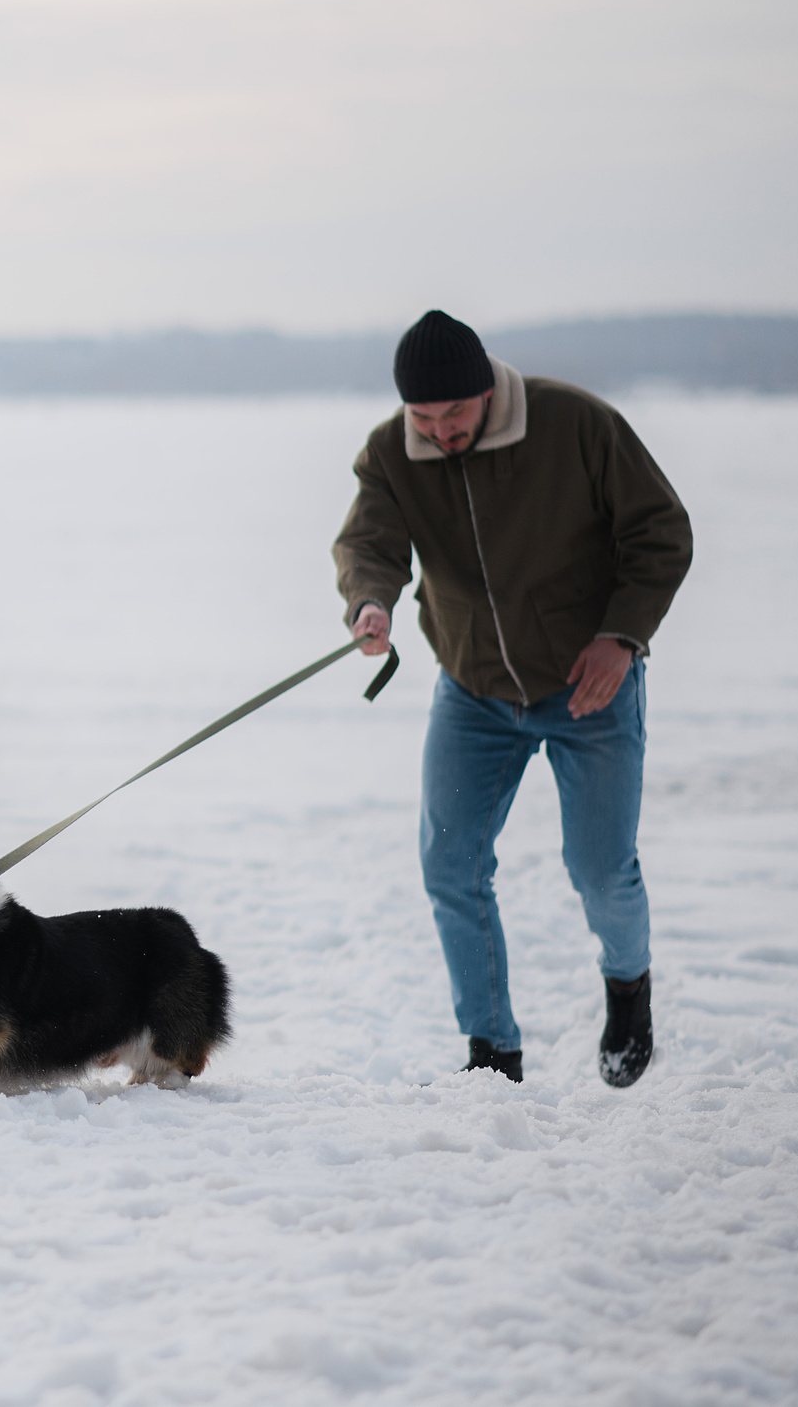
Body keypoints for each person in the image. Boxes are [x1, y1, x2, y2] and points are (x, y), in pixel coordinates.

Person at [334, 310, 692, 1086]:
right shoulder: (395, 450)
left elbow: (661, 531)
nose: (438, 431)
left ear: (487, 388)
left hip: (588, 684)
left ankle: (629, 987)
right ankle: (492, 1050)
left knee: (600, 868)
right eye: (422, 417)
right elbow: (370, 543)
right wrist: (371, 601)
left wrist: (622, 636)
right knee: (449, 866)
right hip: (474, 689)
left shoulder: (576, 424)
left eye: (453, 413)